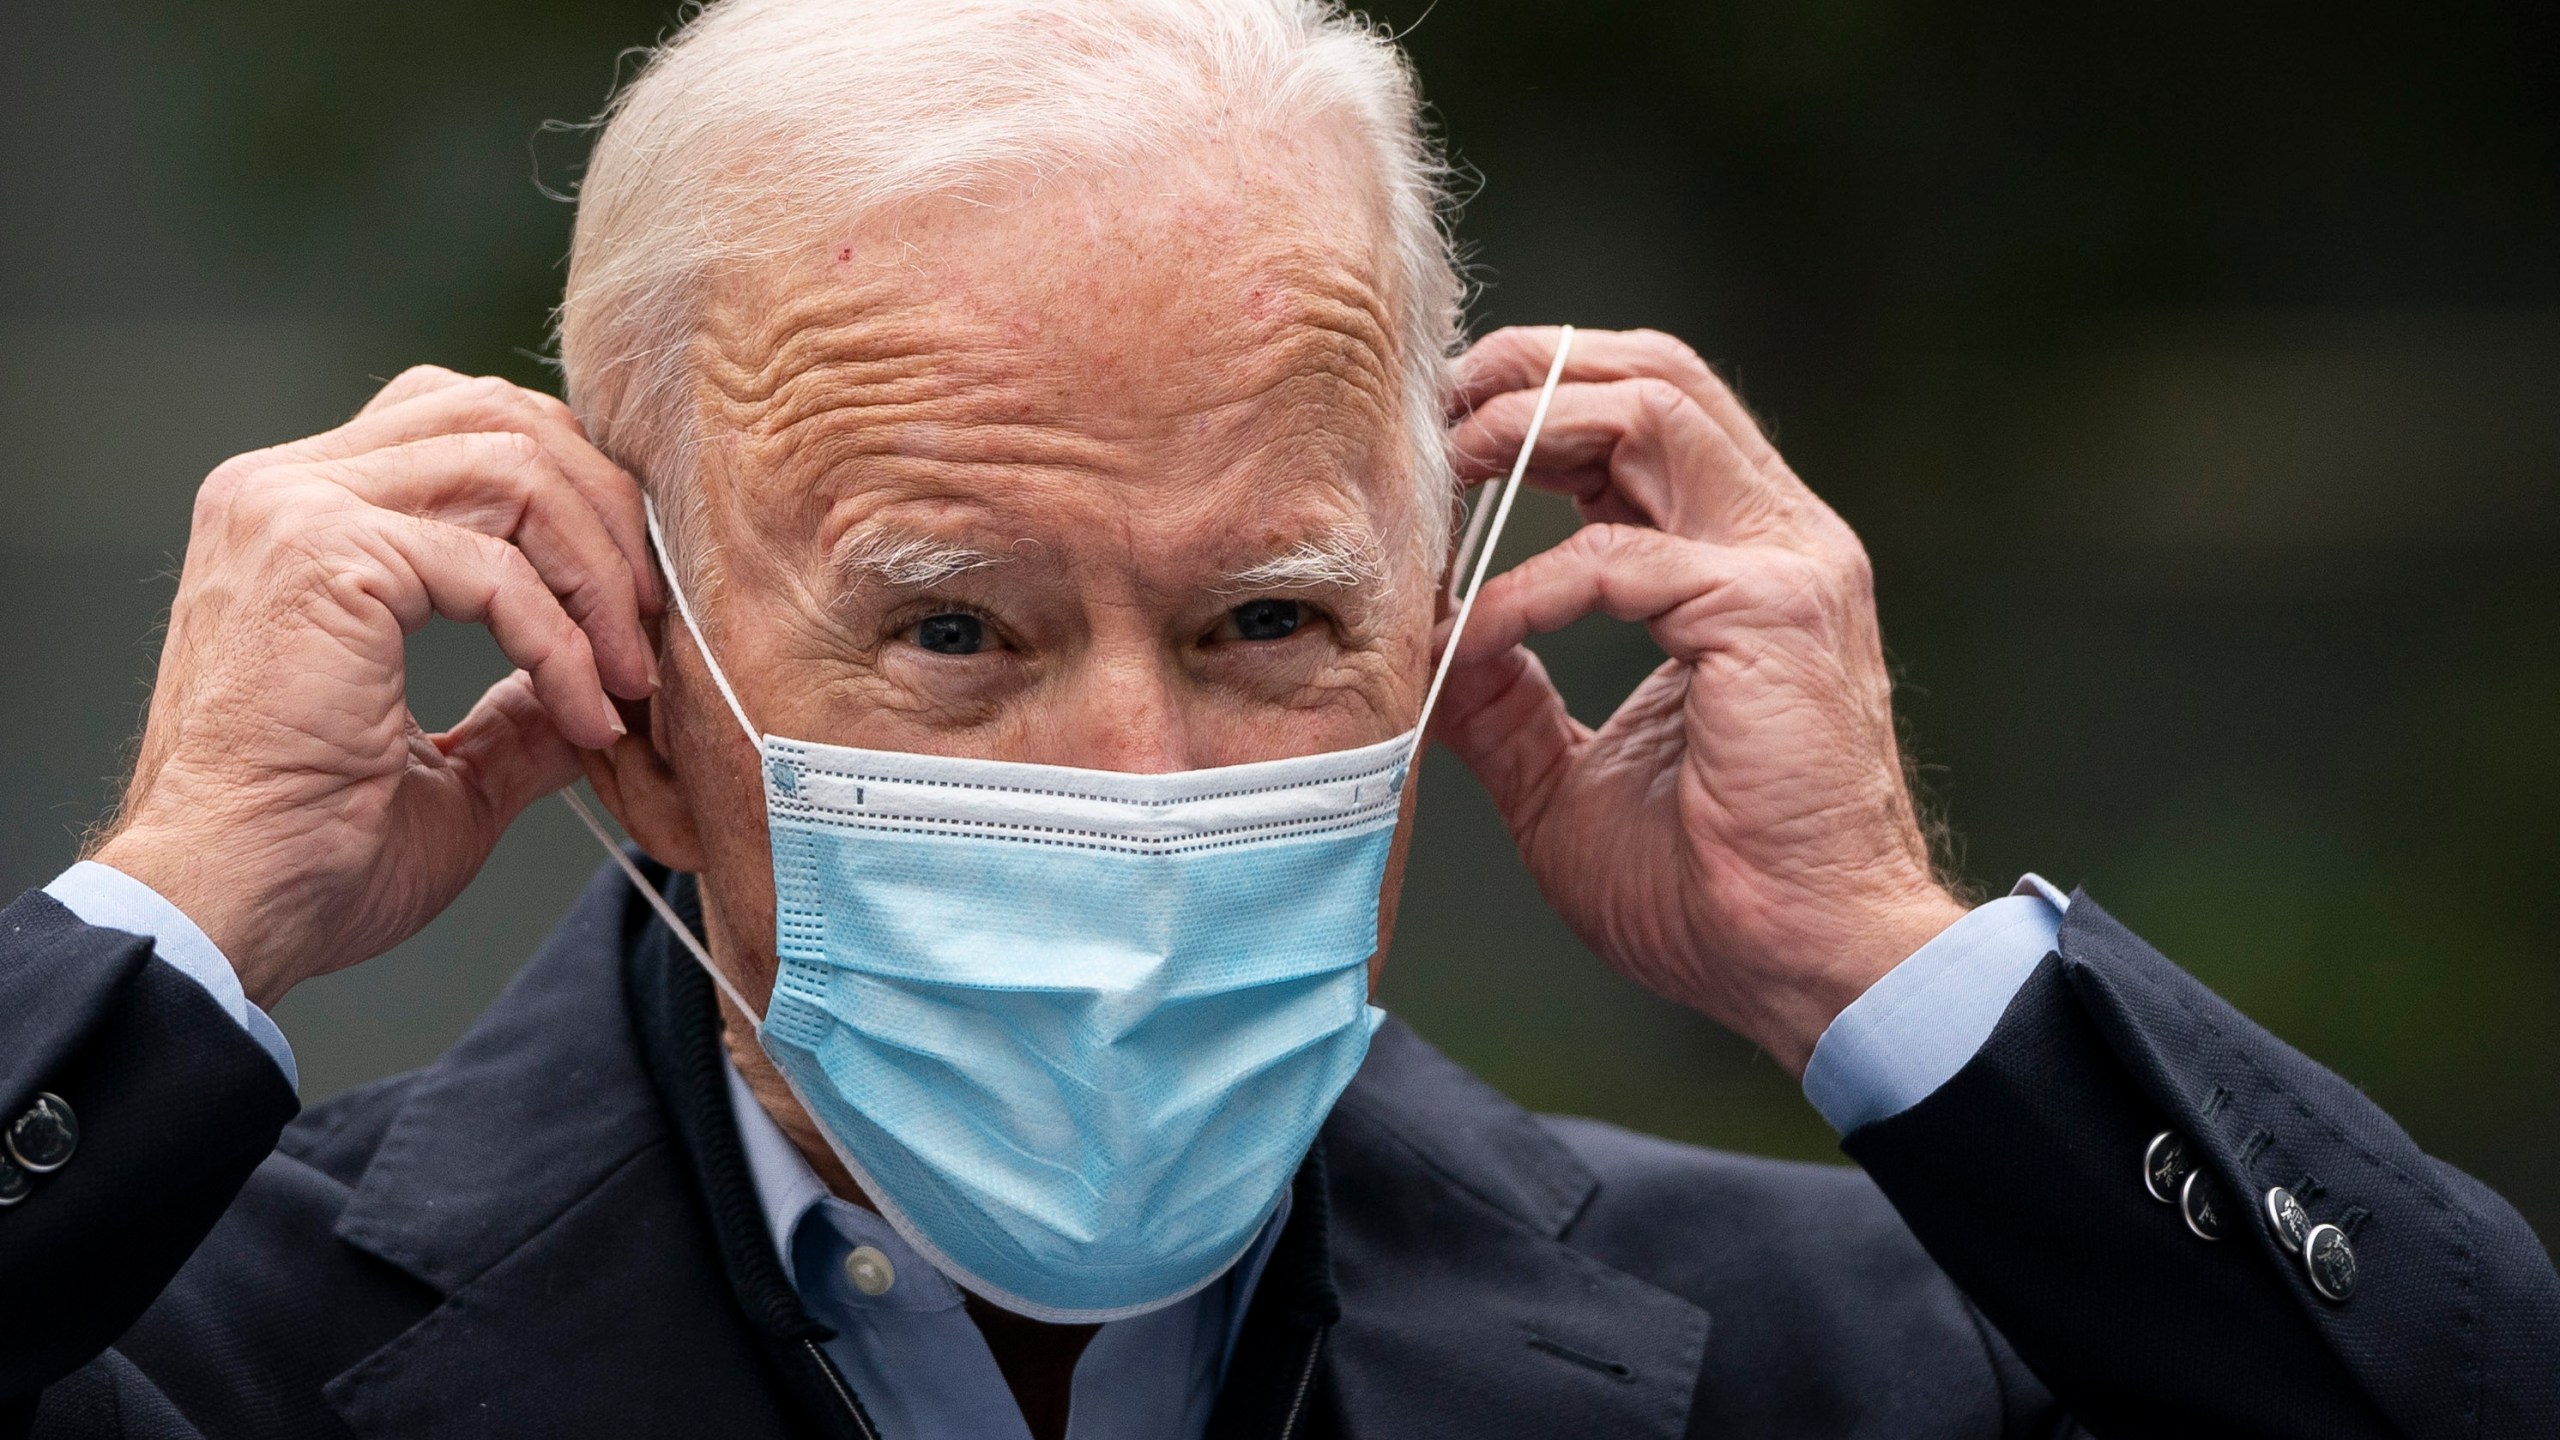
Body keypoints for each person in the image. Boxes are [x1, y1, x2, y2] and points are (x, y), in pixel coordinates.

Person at [2, 1, 2551, 1435]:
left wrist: (1867, 955)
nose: (1137, 790)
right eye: (954, 635)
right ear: (629, 684)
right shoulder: (176, 1349)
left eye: (1258, 627)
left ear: (1440, 640)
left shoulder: (1845, 1360)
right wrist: (179, 907)